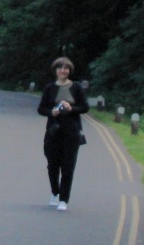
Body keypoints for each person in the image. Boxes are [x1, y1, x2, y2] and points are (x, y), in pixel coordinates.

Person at [37, 56, 89, 211]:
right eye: (60, 67)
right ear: (56, 70)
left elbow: (85, 107)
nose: (63, 70)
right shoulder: (49, 88)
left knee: (68, 166)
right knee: (52, 164)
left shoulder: (77, 87)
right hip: (53, 131)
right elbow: (41, 109)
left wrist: (71, 108)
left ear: (69, 70)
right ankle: (55, 192)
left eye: (66, 68)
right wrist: (51, 112)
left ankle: (64, 199)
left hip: (72, 131)